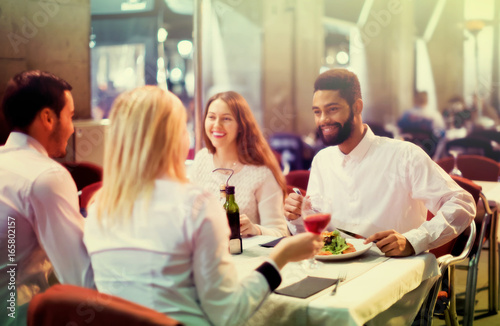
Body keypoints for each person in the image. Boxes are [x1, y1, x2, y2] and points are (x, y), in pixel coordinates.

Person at [83, 86, 322, 326]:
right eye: (183, 127)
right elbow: (228, 315)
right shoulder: (197, 204)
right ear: (172, 137)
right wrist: (280, 258)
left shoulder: (97, 208)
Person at [285, 69, 476, 257]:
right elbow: (316, 234)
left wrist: (413, 240)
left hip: (396, 271)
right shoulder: (322, 160)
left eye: (332, 109)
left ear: (357, 107)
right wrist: (298, 217)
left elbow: (462, 203)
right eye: (317, 112)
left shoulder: (404, 155)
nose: (323, 119)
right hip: (337, 271)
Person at [0, 70, 94, 324]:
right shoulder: (47, 176)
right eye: (71, 116)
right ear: (48, 118)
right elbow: (80, 277)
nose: (73, 128)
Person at [190, 91, 288, 237]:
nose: (217, 125)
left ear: (241, 126)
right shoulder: (201, 159)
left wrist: (255, 229)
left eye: (226, 119)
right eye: (211, 117)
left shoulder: (261, 172)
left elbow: (281, 232)